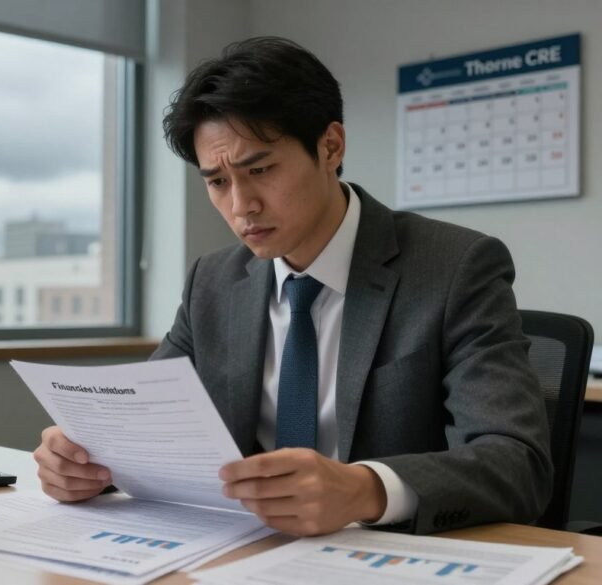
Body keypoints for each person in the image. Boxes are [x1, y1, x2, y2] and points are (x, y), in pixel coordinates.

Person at [33, 37, 552, 536]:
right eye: (217, 181)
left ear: (330, 146)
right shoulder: (211, 283)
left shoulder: (455, 266)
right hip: (241, 551)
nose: (241, 206)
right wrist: (86, 462)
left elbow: (517, 462)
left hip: (388, 556)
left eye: (260, 169)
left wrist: (364, 489)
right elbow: (141, 429)